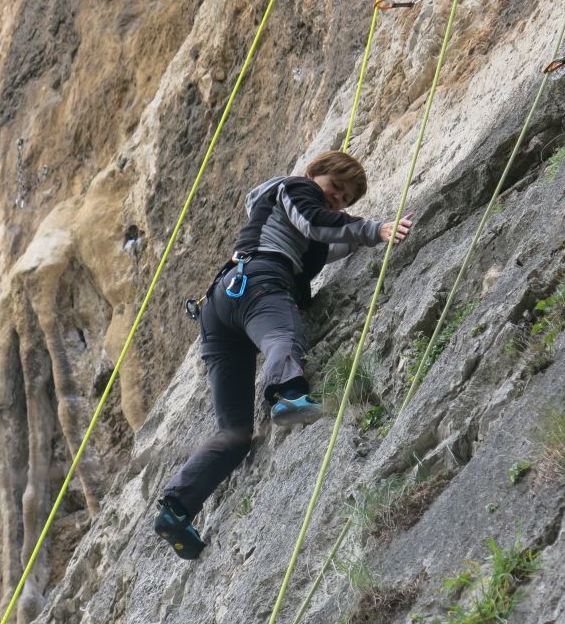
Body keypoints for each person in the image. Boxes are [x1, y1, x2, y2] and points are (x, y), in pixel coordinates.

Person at [154, 151, 414, 559]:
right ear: (314, 173)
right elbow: (314, 222)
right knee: (284, 334)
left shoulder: (278, 216)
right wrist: (374, 229)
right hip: (258, 284)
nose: (337, 201)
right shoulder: (295, 187)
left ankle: (177, 507)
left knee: (234, 433)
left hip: (220, 313)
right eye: (334, 189)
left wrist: (357, 238)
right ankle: (287, 395)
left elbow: (321, 244)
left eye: (345, 200)